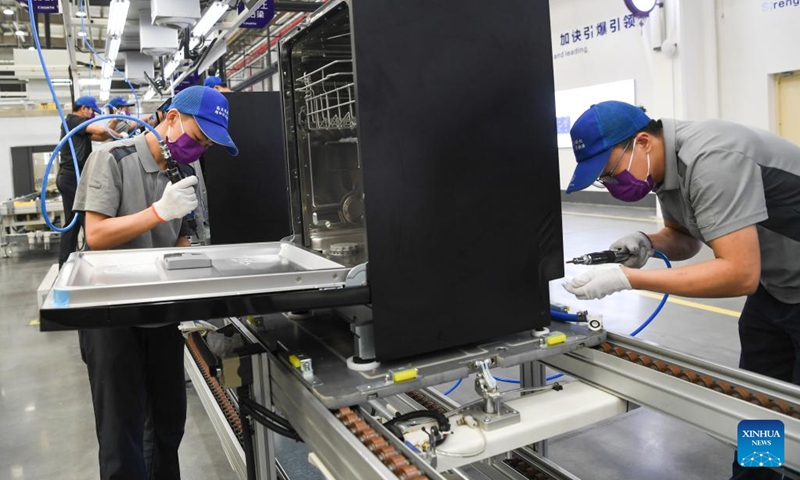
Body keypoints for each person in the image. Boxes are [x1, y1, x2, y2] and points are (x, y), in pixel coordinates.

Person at [562, 100, 800, 480]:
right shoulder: (666, 172)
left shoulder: (711, 158)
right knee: (761, 403)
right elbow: (685, 238)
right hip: (779, 288)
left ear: (642, 143)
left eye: (609, 172)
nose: (610, 184)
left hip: (778, 281)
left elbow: (740, 274)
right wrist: (647, 242)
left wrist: (629, 279)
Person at [72, 85, 238, 480]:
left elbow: (183, 236)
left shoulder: (187, 169)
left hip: (159, 309)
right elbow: (96, 235)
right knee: (121, 434)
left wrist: (193, 259)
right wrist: (158, 212)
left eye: (207, 147)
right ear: (173, 118)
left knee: (167, 423)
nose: (198, 152)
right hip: (110, 313)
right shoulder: (112, 159)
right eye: (197, 139)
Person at [56, 95, 120, 267]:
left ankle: (89, 260)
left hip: (75, 178)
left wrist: (114, 122)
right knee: (77, 221)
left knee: (78, 220)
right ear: (84, 108)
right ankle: (67, 264)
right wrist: (121, 134)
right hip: (71, 177)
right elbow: (100, 131)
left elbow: (101, 137)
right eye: (92, 111)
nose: (92, 115)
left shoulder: (80, 128)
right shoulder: (73, 120)